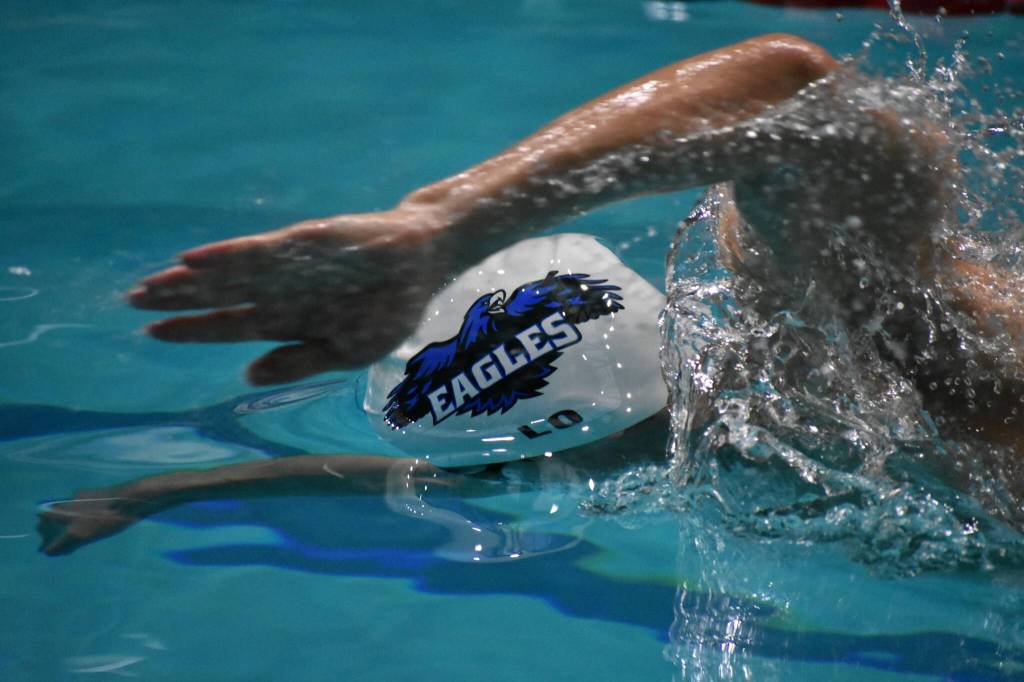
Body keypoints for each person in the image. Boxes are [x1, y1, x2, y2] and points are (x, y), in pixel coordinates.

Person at [37, 34, 1022, 555]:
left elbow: (789, 84)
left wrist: (445, 222)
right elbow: (444, 478)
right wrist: (163, 488)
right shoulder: (741, 414)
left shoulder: (904, 343)